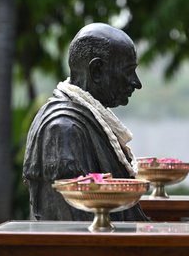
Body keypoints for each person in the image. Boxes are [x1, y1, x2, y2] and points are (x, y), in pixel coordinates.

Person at [23, 23, 147, 222]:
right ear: (96, 70)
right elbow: (78, 233)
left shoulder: (87, 120)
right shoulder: (63, 129)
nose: (136, 82)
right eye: (128, 71)